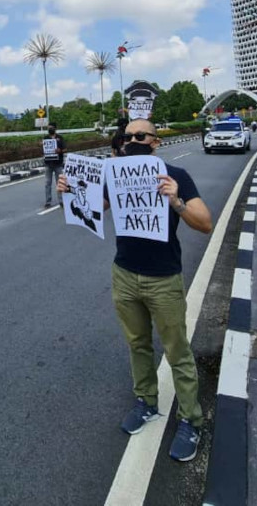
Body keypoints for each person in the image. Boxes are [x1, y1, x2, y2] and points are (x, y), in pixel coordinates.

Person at [58, 119, 213, 462]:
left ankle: (191, 419)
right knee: (137, 344)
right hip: (125, 274)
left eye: (140, 135)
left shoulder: (176, 176)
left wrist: (177, 201)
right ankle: (146, 402)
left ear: (155, 142)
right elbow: (95, 208)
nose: (132, 140)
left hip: (164, 278)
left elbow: (205, 224)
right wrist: (71, 191)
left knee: (177, 352)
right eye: (126, 137)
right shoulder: (115, 176)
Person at [42, 123, 66, 208]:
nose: (50, 129)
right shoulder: (45, 138)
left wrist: (59, 151)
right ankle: (48, 201)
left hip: (58, 164)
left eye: (51, 128)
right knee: (47, 183)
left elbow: (65, 149)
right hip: (48, 164)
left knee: (59, 183)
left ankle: (61, 201)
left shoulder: (60, 138)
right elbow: (43, 150)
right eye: (48, 128)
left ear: (55, 128)